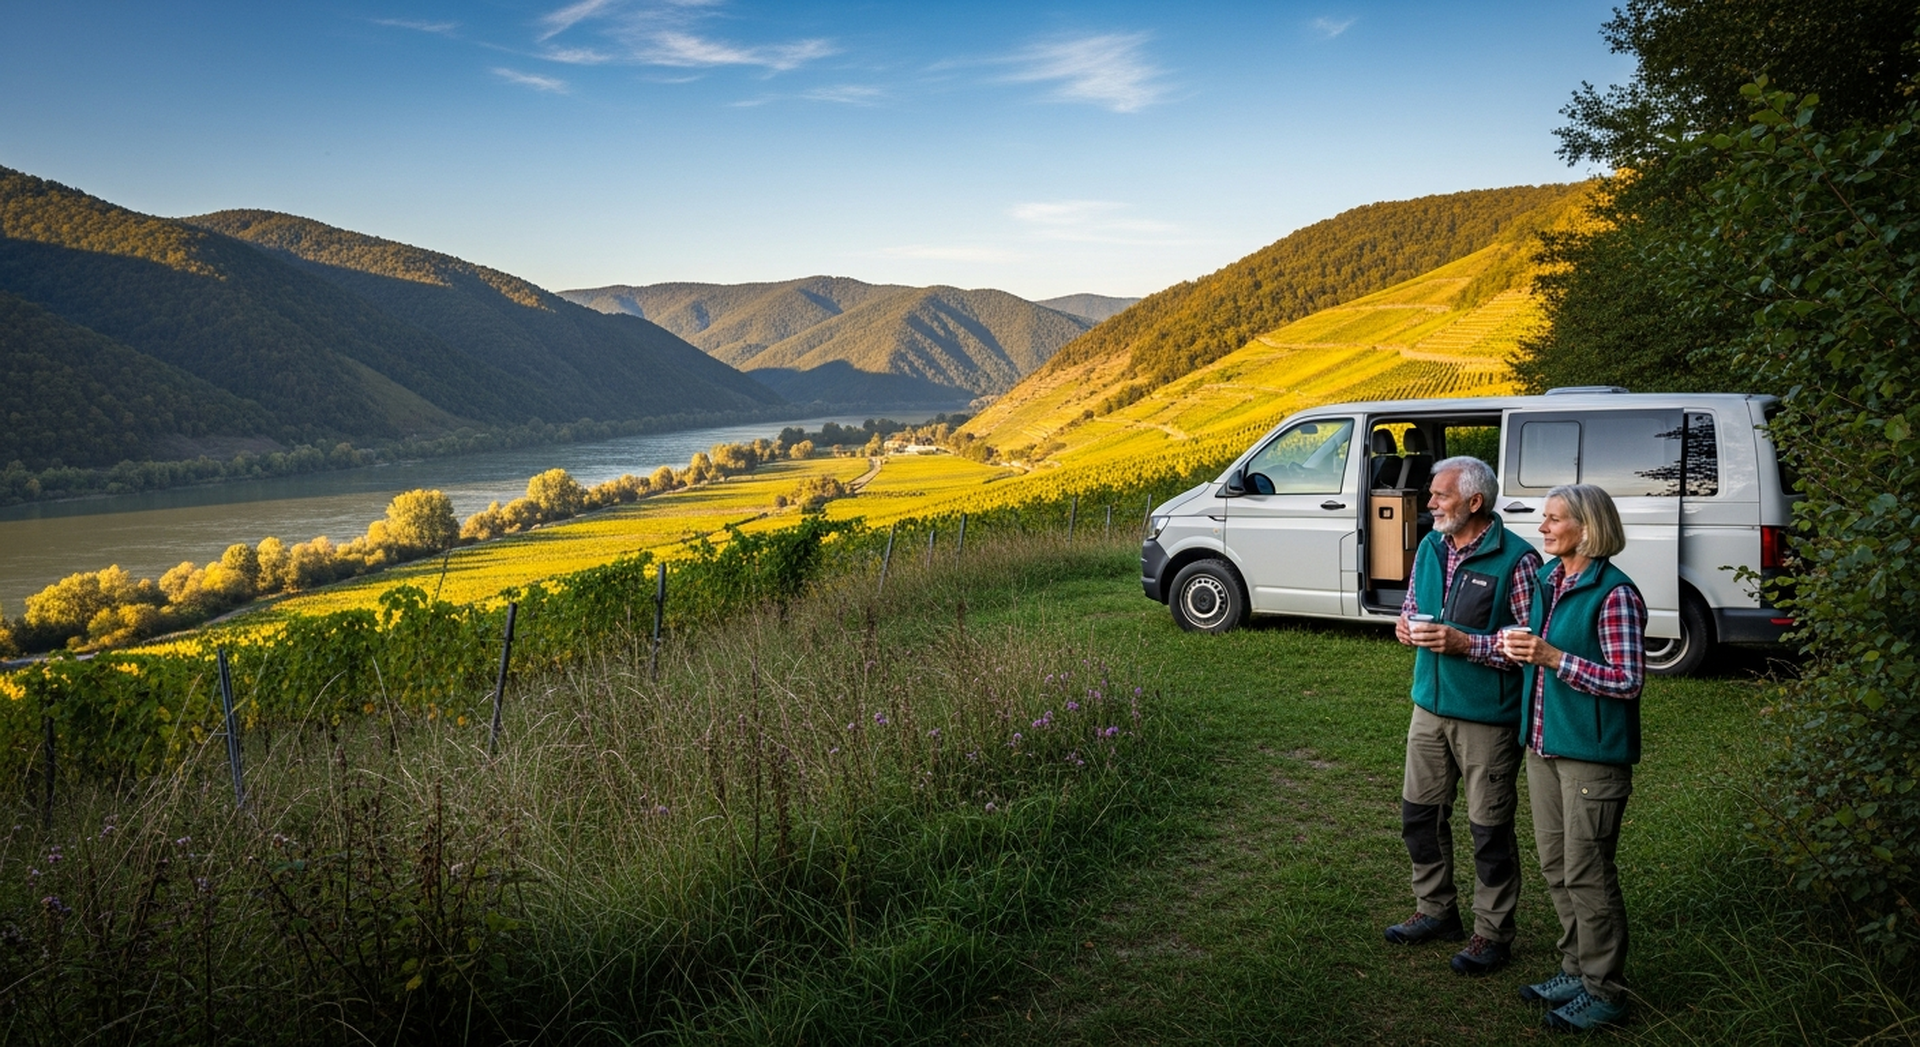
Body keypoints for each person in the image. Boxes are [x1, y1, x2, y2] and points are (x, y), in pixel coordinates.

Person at [1387, 456, 1541, 976]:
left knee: (1488, 828)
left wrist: (1466, 644)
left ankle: (1492, 933)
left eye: (1441, 496)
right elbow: (1412, 604)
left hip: (1486, 717)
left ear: (1475, 502)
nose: (1430, 503)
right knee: (1419, 815)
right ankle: (1435, 911)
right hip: (1429, 705)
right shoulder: (1431, 545)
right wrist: (1406, 627)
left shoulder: (1517, 560)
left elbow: (1529, 644)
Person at [1503, 483, 1646, 1033]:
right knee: (1556, 865)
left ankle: (1606, 992)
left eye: (1553, 518)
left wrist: (1556, 658)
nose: (1542, 527)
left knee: (1589, 873)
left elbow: (1628, 680)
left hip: (1591, 756)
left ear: (1586, 528)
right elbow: (1526, 648)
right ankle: (1575, 969)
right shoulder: (1547, 580)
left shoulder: (1615, 595)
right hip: (1544, 746)